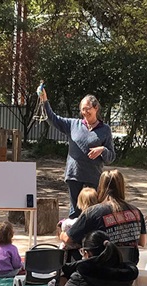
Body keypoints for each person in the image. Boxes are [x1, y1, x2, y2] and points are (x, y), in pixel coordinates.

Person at [38, 87, 115, 219]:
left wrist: (103, 150)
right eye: (82, 109)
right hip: (74, 176)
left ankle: (91, 239)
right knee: (75, 212)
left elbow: (111, 157)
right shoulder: (73, 125)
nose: (84, 112)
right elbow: (52, 119)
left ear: (96, 108)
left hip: (93, 177)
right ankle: (73, 238)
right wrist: (44, 99)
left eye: (88, 109)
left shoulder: (105, 130)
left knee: (93, 212)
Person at [61, 169, 147, 264]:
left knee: (70, 249)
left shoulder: (93, 212)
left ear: (101, 187)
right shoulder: (136, 212)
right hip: (127, 269)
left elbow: (67, 239)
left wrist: (61, 233)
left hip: (101, 269)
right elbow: (142, 242)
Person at [57, 187, 99, 262]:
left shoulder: (82, 219)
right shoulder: (98, 217)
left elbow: (67, 239)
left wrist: (62, 233)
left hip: (80, 255)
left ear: (80, 203)